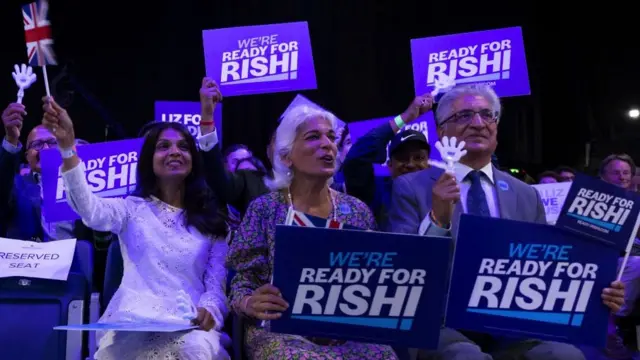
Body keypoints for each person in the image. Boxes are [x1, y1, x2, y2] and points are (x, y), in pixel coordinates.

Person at [387, 84, 625, 360]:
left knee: (566, 356)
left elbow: (547, 270)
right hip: (441, 322)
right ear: (441, 131)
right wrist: (437, 218)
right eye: (463, 116)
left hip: (514, 324)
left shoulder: (526, 194)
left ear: (496, 128)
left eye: (487, 115)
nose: (478, 123)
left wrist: (599, 290)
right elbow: (402, 269)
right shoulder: (410, 186)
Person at [41, 97, 230, 360]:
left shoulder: (213, 223)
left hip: (190, 325)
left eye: (183, 147)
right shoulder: (130, 209)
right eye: (163, 146)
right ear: (149, 160)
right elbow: (89, 209)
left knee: (194, 351)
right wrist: (67, 148)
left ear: (193, 160)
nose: (175, 151)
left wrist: (209, 310)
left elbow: (215, 285)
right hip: (132, 321)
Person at [226, 105, 398, 359]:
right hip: (282, 330)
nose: (327, 144)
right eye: (313, 137)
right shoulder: (265, 209)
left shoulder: (357, 211)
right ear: (286, 156)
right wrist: (250, 302)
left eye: (331, 136)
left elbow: (376, 280)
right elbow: (242, 281)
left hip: (348, 331)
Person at [0, 103, 95, 242]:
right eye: (37, 145)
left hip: (77, 258)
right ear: (27, 156)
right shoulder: (15, 185)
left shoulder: (84, 182)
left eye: (52, 142)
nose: (44, 149)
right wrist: (11, 138)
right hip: (28, 259)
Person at [342, 94, 432, 229]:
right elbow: (356, 158)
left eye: (419, 158)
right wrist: (404, 118)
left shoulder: (440, 192)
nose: (411, 164)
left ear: (428, 164)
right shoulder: (377, 191)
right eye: (402, 158)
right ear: (390, 165)